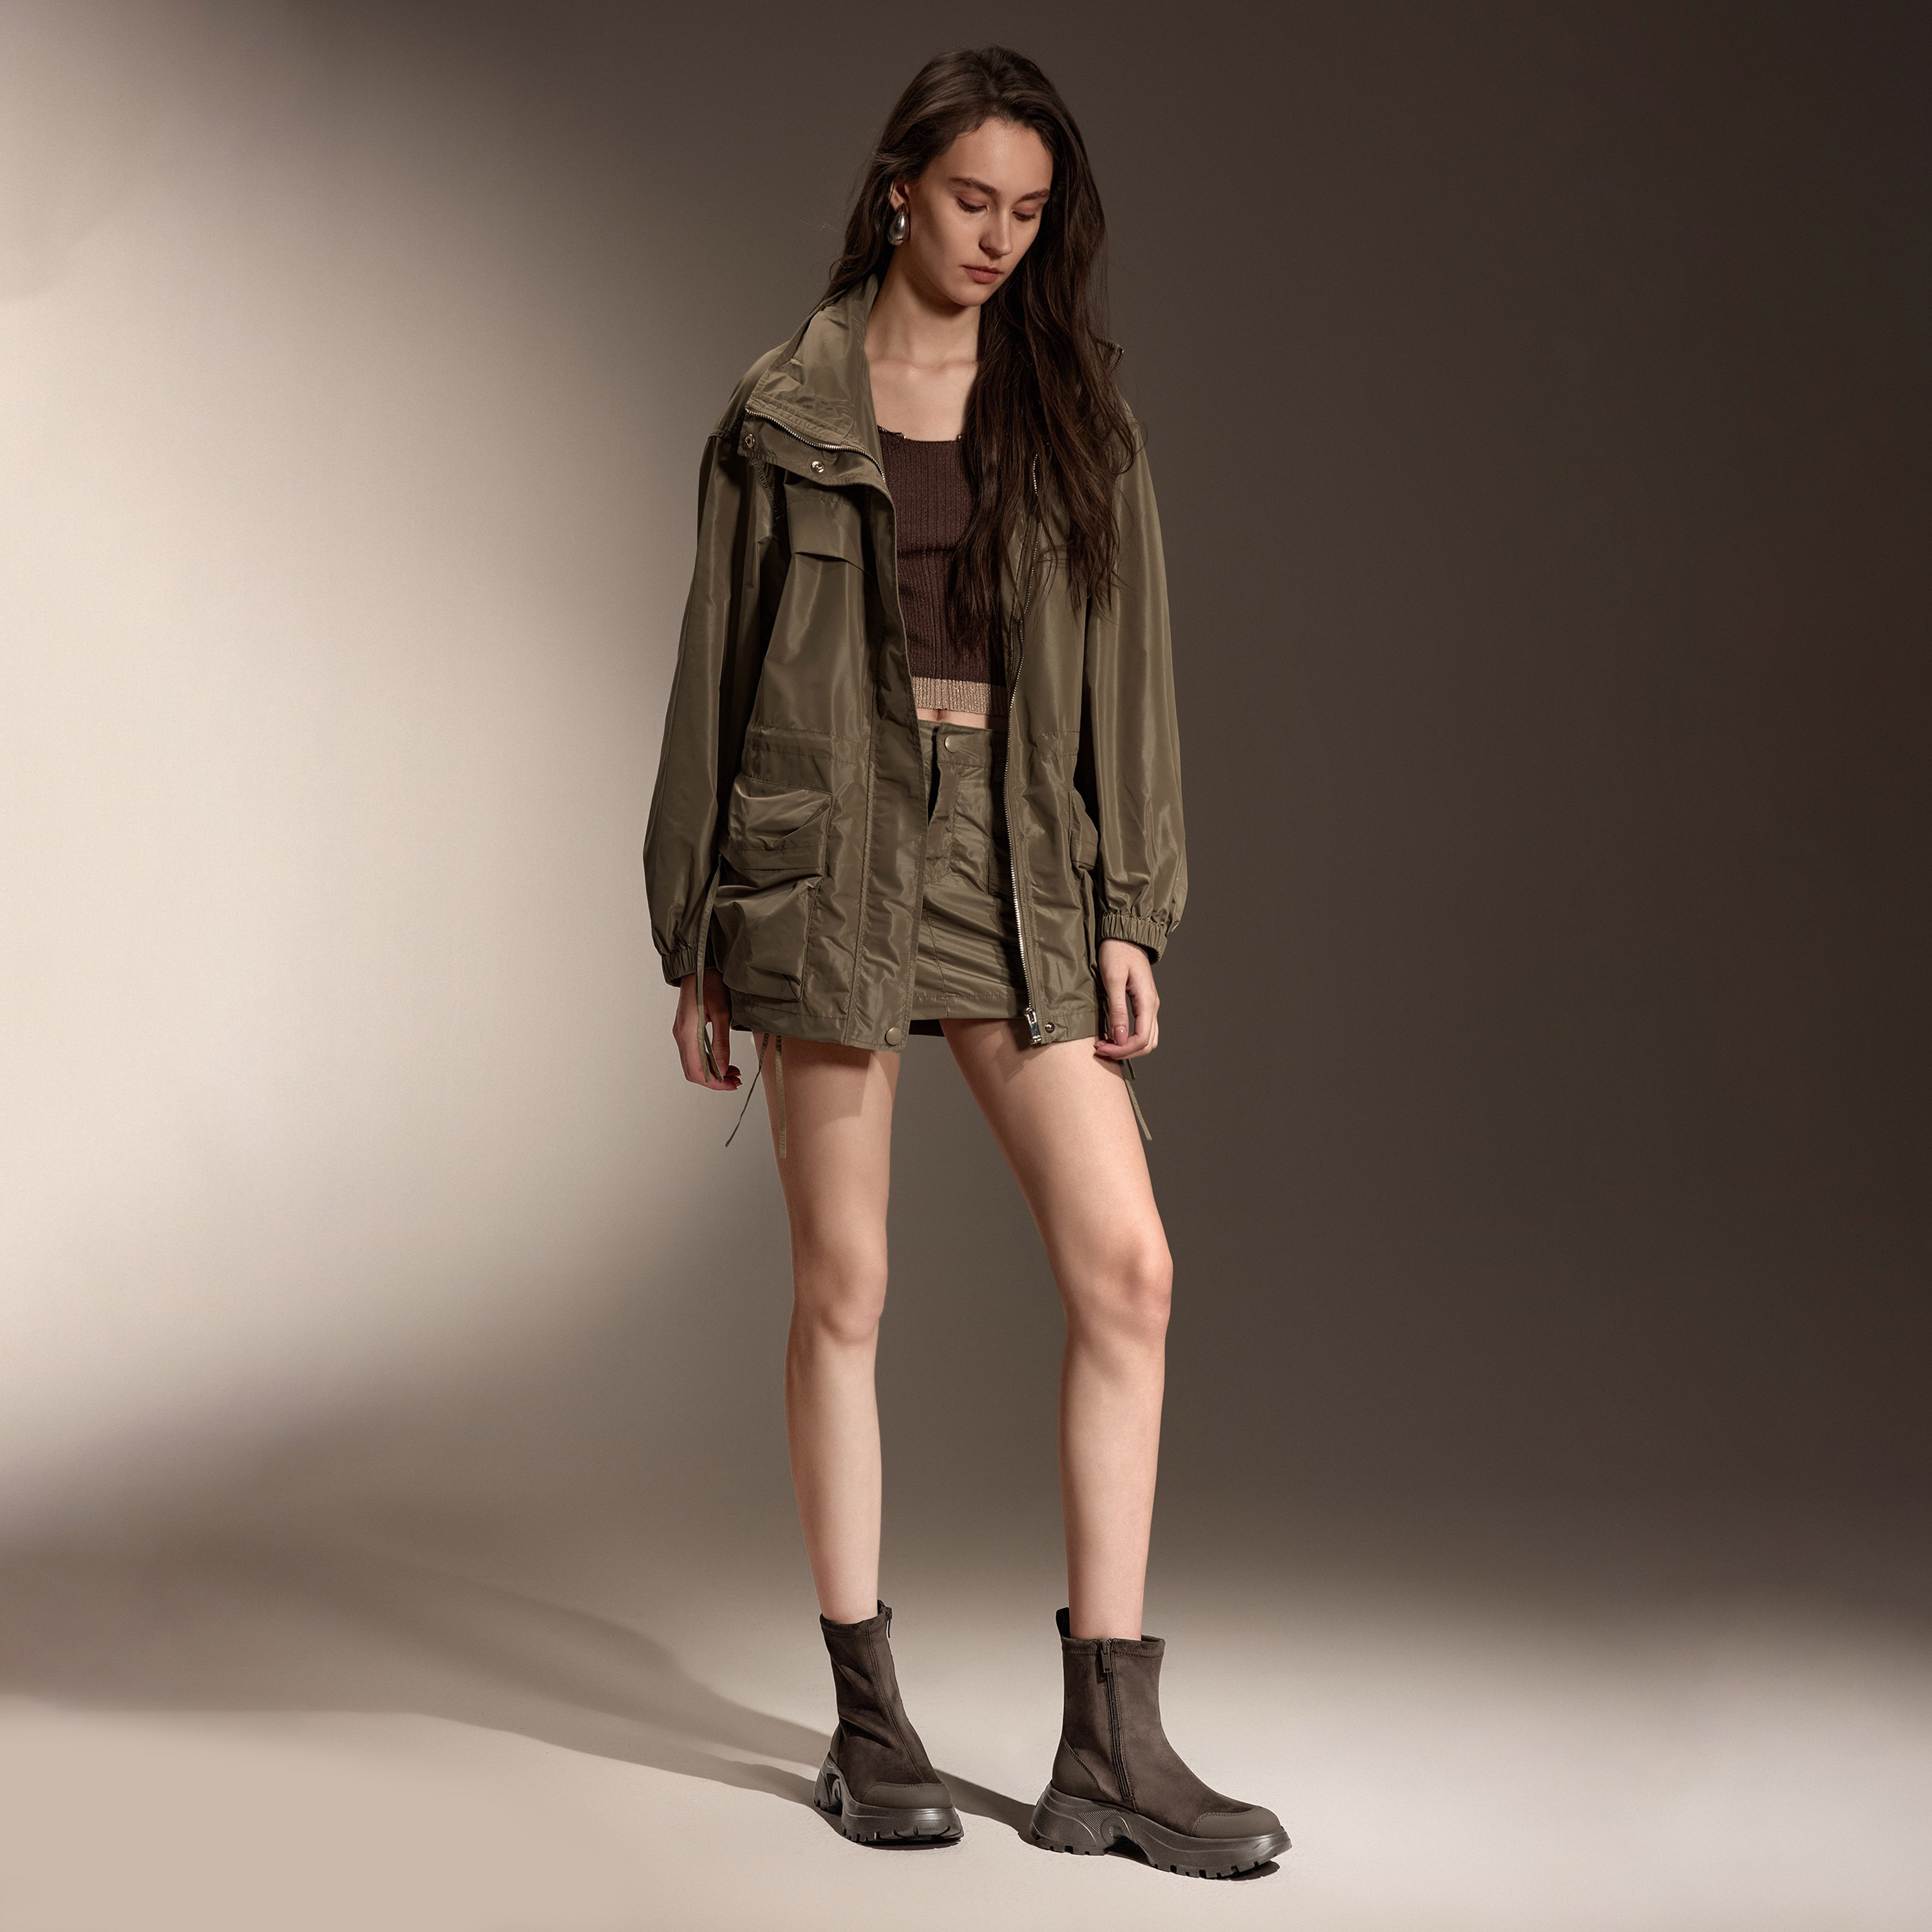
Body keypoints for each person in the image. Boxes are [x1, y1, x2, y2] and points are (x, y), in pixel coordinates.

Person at [642, 46, 1287, 1880]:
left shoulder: (1078, 415)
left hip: (1019, 861)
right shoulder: (783, 412)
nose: (1001, 239)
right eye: (972, 201)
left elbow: (1135, 671)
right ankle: (870, 1723)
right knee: (846, 1285)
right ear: (899, 191)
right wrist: (697, 927)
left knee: (1131, 1272)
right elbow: (711, 669)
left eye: (1031, 212)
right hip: (825, 853)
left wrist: (1130, 904)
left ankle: (1110, 1748)